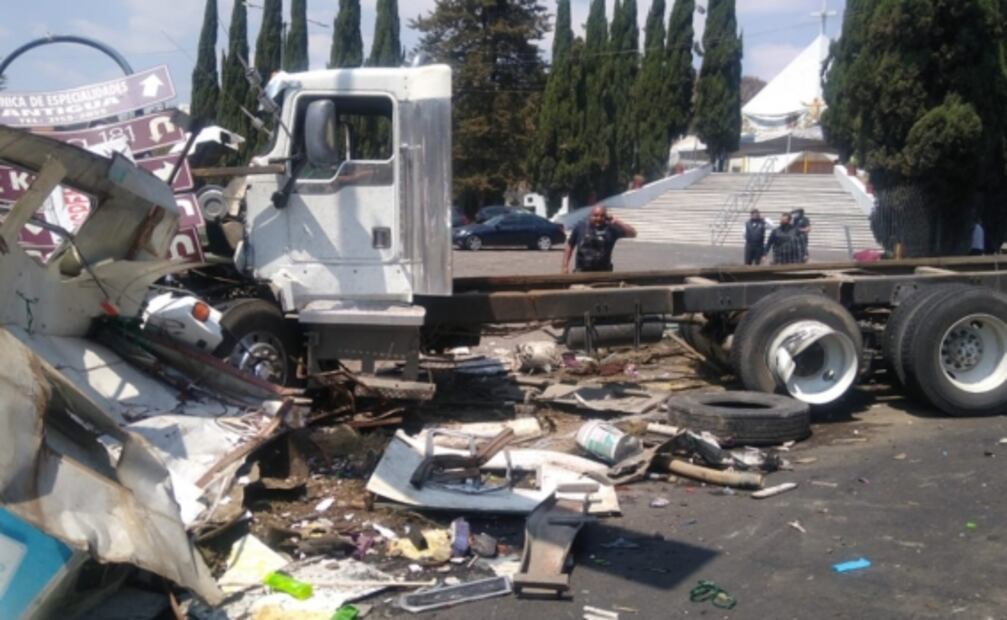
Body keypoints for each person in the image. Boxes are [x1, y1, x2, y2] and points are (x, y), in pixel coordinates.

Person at [561, 206, 637, 273]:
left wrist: (617, 222)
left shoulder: (611, 229)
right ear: (590, 216)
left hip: (604, 272)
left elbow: (633, 234)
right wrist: (565, 266)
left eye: (602, 216)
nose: (599, 218)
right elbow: (569, 246)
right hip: (582, 271)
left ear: (606, 217)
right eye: (595, 215)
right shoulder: (580, 227)